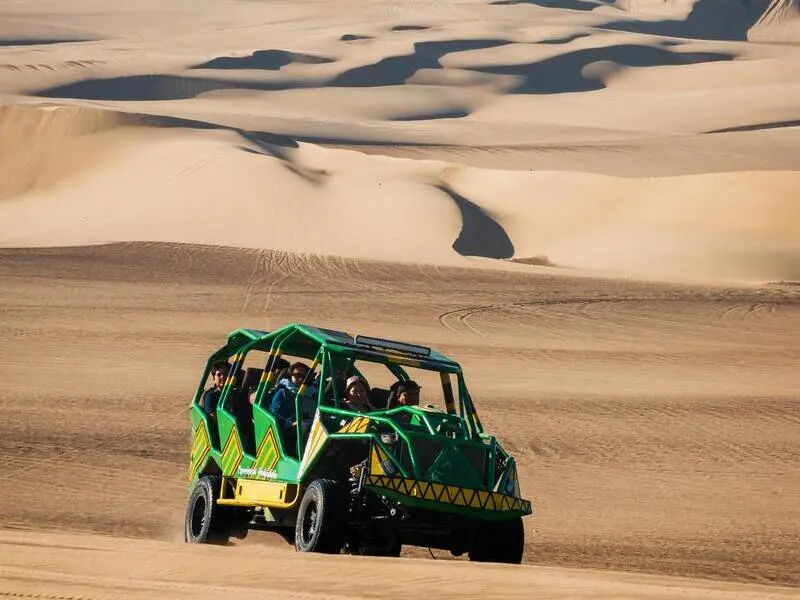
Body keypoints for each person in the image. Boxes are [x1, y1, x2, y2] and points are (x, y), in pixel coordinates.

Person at [269, 361, 319, 449]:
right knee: (304, 425)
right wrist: (290, 423)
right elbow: (275, 414)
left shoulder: (312, 393)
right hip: (288, 428)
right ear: (290, 376)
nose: (300, 379)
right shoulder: (283, 392)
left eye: (304, 377)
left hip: (309, 424)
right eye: (297, 376)